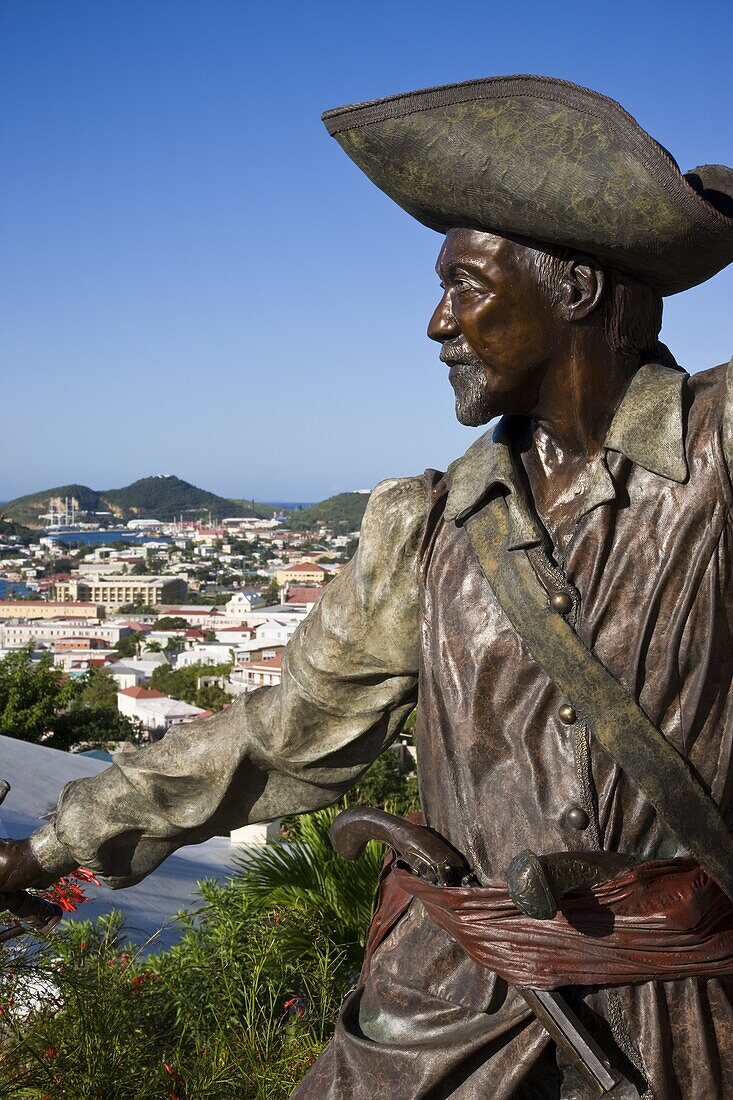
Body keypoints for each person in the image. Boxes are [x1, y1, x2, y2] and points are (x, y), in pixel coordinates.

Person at [3, 76, 733, 1098]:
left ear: (571, 289)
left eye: (466, 283)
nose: (434, 322)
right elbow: (279, 734)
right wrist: (48, 845)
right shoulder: (426, 528)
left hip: (683, 1021)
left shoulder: (719, 457)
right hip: (441, 1020)